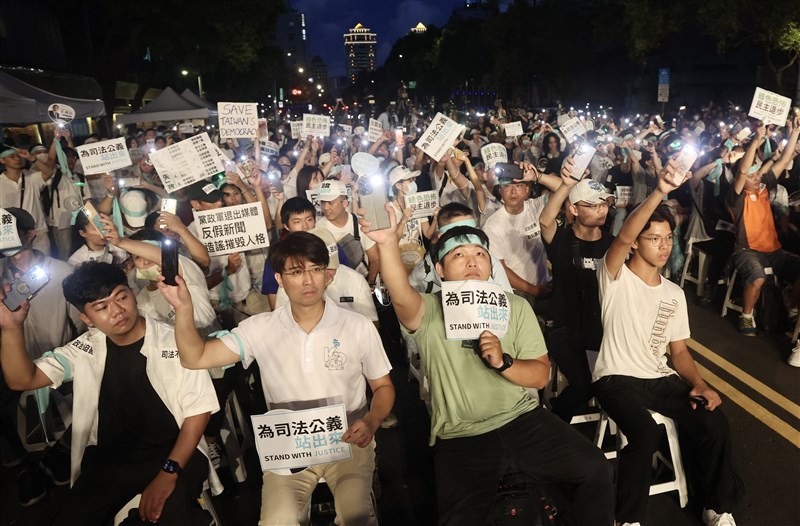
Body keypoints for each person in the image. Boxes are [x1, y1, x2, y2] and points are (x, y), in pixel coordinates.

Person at [360, 204, 614, 526]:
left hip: (524, 421)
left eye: (479, 254)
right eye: (458, 256)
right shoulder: (428, 310)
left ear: (490, 263)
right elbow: (398, 293)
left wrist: (504, 362)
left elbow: (539, 376)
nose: (471, 262)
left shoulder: (516, 307)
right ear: (440, 270)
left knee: (596, 469)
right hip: (461, 436)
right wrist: (386, 243)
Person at [162, 231, 395, 525]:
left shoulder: (358, 326)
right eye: (296, 272)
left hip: (347, 441)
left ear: (328, 275)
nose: (308, 280)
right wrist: (183, 308)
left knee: (356, 516)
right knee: (277, 520)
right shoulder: (260, 328)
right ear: (280, 280)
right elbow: (195, 357)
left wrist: (372, 421)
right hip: (288, 449)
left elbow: (383, 386)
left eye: (315, 269)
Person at [0, 262, 219, 525]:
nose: (117, 311)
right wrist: (11, 328)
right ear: (87, 319)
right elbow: (22, 379)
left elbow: (199, 412)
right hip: (111, 460)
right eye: (102, 307)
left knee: (172, 517)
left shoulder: (175, 339)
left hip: (175, 452)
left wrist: (168, 471)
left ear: (132, 293)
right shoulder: (85, 348)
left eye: (122, 297)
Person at [593, 159, 740, 526]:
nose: (663, 246)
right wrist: (661, 190)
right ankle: (627, 520)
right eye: (653, 238)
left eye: (668, 238)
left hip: (660, 380)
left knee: (714, 422)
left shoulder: (674, 294)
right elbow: (623, 236)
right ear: (637, 241)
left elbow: (679, 352)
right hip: (616, 378)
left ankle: (716, 507)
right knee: (643, 434)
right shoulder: (615, 276)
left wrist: (700, 384)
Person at [538, 161, 615, 421]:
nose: (601, 210)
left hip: (601, 330)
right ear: (573, 208)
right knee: (584, 385)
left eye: (604, 203)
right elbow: (545, 219)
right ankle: (554, 427)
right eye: (592, 205)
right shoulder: (561, 238)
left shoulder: (613, 246)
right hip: (564, 330)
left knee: (611, 381)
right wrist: (567, 184)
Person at [726, 122, 800, 354]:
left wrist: (795, 133)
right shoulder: (736, 197)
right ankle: (746, 316)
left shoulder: (764, 187)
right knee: (757, 278)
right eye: (752, 174)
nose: (756, 175)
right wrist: (757, 139)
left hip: (774, 251)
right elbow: (741, 171)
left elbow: (782, 162)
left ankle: (792, 309)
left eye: (758, 172)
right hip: (746, 251)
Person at [316, 179, 381, 286]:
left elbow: (375, 258)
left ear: (345, 203)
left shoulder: (359, 223)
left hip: (362, 280)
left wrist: (370, 282)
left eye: (331, 202)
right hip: (334, 286)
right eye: (323, 202)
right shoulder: (319, 229)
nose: (326, 207)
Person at [0, 147, 52, 254]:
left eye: (18, 156)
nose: (17, 158)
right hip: (12, 235)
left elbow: (49, 172)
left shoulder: (31, 177)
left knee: (43, 263)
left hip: (38, 231)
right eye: (12, 156)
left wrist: (32, 158)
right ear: (2, 160)